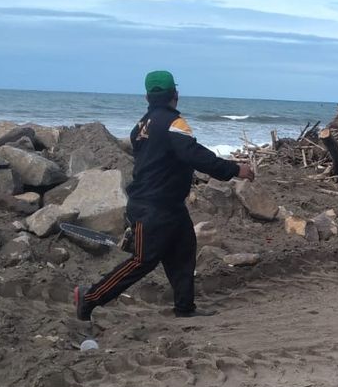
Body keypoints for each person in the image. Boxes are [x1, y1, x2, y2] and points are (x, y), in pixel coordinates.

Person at [74, 70, 255, 321]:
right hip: (153, 206)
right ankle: (90, 297)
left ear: (147, 97)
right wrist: (235, 169)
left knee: (183, 250)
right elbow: (194, 154)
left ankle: (184, 308)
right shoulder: (174, 123)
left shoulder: (139, 127)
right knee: (142, 260)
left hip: (167, 204)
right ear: (175, 95)